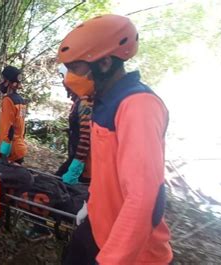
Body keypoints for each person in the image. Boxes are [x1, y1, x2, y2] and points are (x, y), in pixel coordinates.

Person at [57, 15, 173, 265]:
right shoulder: (102, 101)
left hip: (133, 253)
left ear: (105, 63)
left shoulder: (138, 107)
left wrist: (111, 259)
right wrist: (91, 205)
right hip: (99, 227)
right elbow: (106, 172)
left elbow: (143, 198)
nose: (69, 77)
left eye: (75, 68)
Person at [55, 65, 93, 185]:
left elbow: (86, 137)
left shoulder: (85, 102)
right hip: (75, 159)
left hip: (84, 167)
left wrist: (75, 168)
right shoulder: (78, 101)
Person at [0, 65, 27, 164]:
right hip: (20, 148)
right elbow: (22, 128)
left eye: (2, 79)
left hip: (11, 152)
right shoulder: (21, 101)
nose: (1, 82)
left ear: (8, 82)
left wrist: (3, 154)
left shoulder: (8, 101)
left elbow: (8, 129)